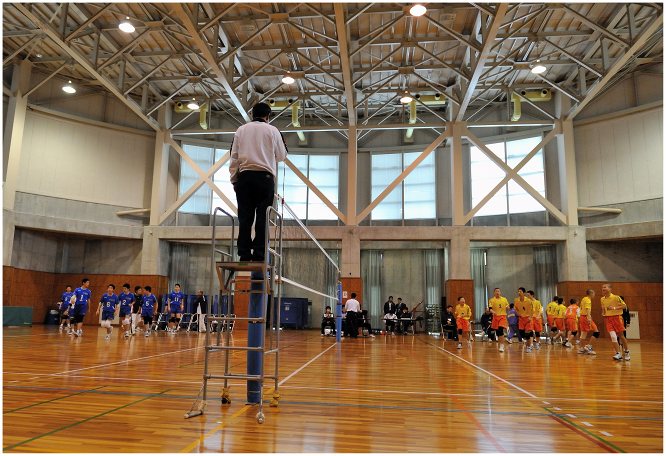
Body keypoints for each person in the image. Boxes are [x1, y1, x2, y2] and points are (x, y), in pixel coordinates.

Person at [230, 102, 288, 262]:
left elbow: (233, 156)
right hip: (265, 178)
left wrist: (234, 180)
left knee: (245, 217)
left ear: (252, 114)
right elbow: (282, 156)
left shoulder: (241, 130)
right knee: (262, 217)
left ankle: (243, 253)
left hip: (245, 177)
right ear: (268, 116)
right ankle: (259, 254)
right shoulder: (273, 130)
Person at [600, 284, 630, 361]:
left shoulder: (616, 297)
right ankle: (618, 353)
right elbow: (603, 308)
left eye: (605, 287)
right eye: (602, 287)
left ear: (610, 289)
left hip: (617, 318)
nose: (603, 288)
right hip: (608, 319)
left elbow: (624, 306)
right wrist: (603, 312)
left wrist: (614, 308)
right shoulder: (602, 299)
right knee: (613, 336)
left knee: (621, 336)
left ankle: (626, 351)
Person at [578, 289, 600, 355]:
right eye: (594, 293)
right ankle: (588, 347)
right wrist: (588, 317)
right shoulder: (588, 300)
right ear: (591, 293)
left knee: (583, 333)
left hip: (583, 317)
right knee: (596, 332)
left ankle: (582, 349)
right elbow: (587, 309)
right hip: (585, 317)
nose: (594, 295)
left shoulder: (584, 299)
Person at [489, 288, 509, 352]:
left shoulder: (504, 299)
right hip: (495, 317)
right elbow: (490, 309)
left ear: (500, 292)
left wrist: (508, 307)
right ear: (494, 293)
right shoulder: (491, 300)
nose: (497, 292)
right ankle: (500, 343)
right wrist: (493, 312)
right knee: (498, 332)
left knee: (500, 329)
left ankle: (502, 345)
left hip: (502, 316)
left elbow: (507, 306)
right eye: (496, 291)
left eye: (498, 291)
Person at [514, 287, 534, 352]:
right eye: (518, 291)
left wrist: (530, 318)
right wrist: (518, 314)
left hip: (528, 318)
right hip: (521, 319)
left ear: (524, 293)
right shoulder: (516, 300)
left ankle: (528, 347)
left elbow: (532, 310)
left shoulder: (528, 301)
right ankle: (529, 343)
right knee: (522, 334)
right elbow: (515, 309)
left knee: (527, 333)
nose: (519, 293)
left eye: (520, 291)